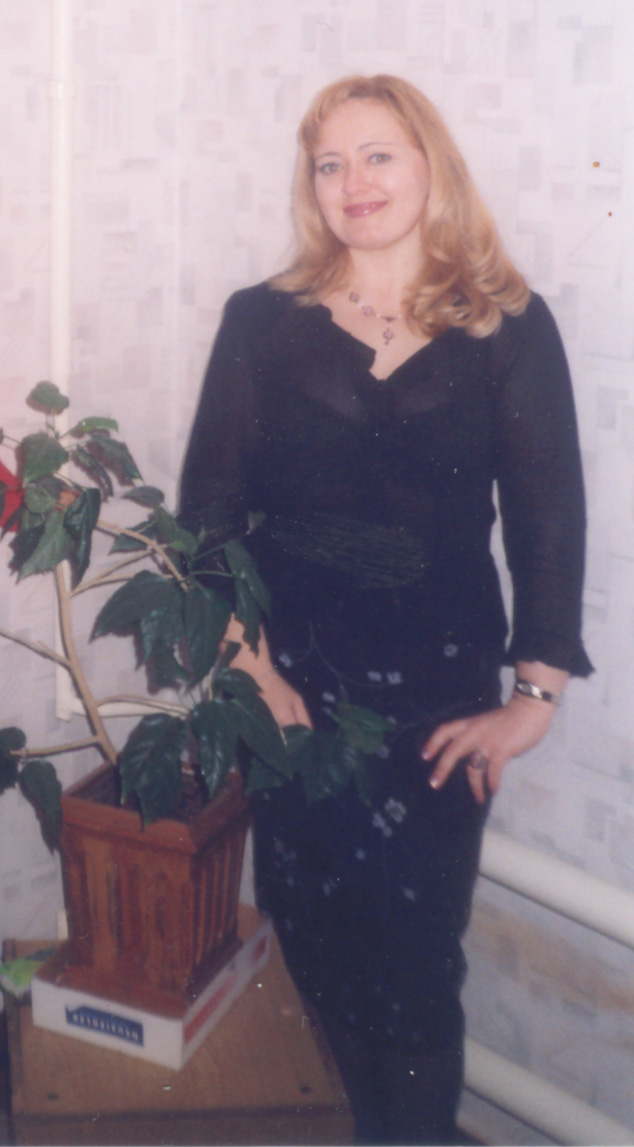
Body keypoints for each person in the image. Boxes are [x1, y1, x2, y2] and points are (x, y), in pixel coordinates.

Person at [180, 74, 592, 1145]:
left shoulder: (507, 326)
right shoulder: (260, 321)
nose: (353, 181)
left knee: (413, 971)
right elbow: (210, 512)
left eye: (377, 155)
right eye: (330, 163)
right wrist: (251, 673)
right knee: (309, 948)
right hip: (290, 695)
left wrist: (534, 698)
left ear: (428, 167)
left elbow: (549, 517)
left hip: (437, 707)